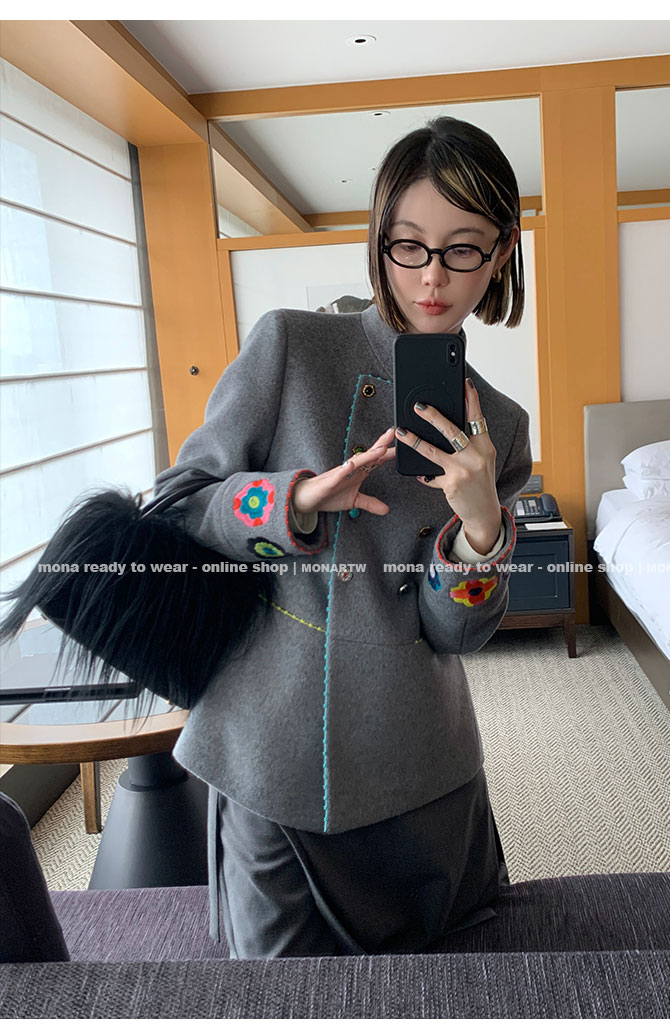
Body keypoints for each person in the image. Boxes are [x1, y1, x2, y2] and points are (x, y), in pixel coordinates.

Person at [152, 116, 533, 959]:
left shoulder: (501, 429)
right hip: (272, 752)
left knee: (446, 989)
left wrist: (478, 530)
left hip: (420, 764)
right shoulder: (291, 346)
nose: (432, 277)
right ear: (379, 240)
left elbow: (456, 634)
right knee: (284, 996)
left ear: (501, 253)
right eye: (409, 245)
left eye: (463, 249)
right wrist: (292, 502)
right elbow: (177, 507)